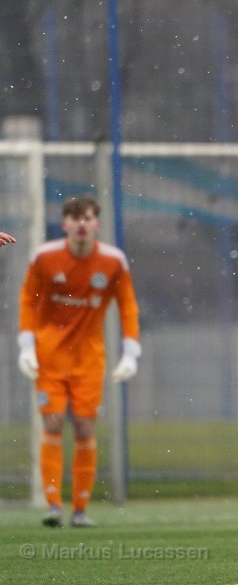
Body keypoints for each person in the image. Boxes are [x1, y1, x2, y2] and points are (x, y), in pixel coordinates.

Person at [18, 196, 141, 527]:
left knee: (85, 427)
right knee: (53, 423)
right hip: (49, 357)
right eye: (75, 219)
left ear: (97, 224)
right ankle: (54, 506)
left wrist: (131, 352)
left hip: (89, 359)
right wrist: (26, 345)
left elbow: (128, 306)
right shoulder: (45, 257)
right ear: (65, 225)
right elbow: (28, 299)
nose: (82, 224)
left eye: (87, 218)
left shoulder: (113, 261)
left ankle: (81, 510)